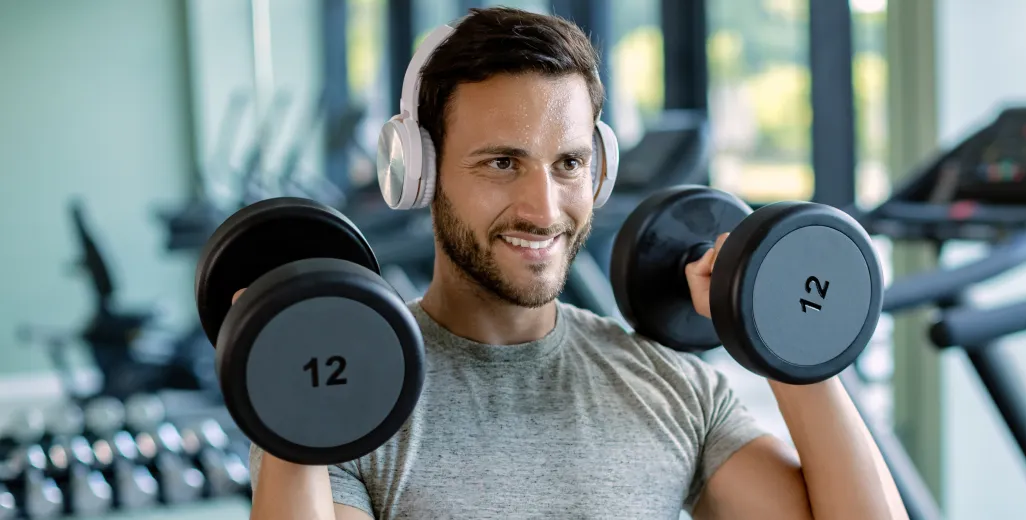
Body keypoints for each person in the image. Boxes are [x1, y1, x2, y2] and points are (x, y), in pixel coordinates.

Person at [246, 6, 905, 520]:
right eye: (503, 162)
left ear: (601, 168)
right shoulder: (348, 397)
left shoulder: (668, 387)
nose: (545, 206)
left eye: (569, 163)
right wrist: (281, 377)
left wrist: (778, 331)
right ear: (419, 173)